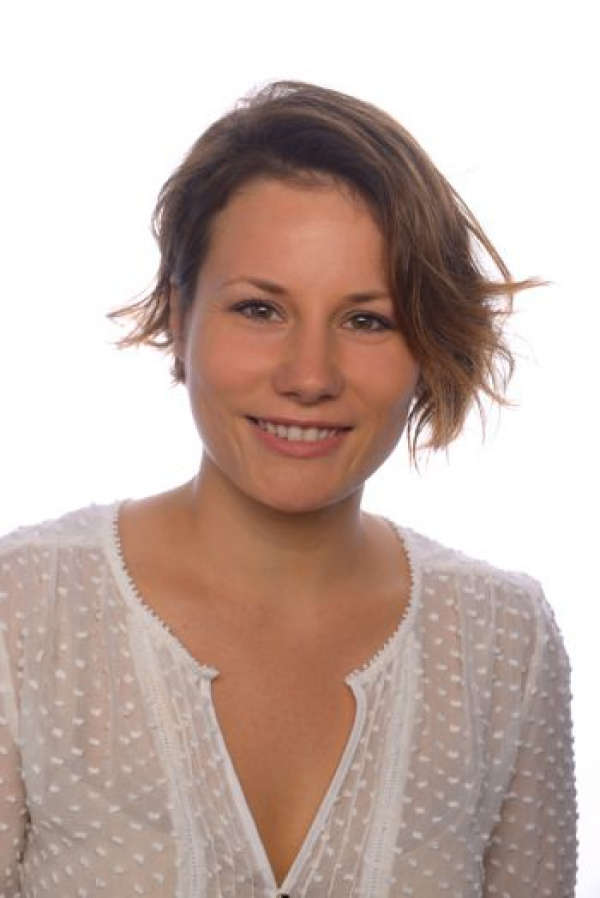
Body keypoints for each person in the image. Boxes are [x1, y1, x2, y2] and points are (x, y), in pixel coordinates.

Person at [0, 81, 576, 897]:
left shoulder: (502, 641)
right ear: (179, 316)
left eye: (367, 319)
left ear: (427, 347)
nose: (309, 376)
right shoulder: (24, 612)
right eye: (260, 309)